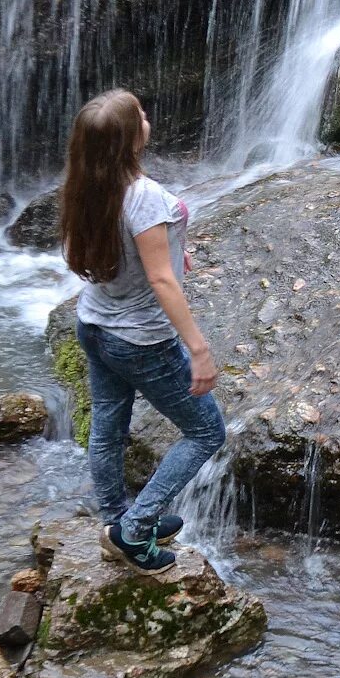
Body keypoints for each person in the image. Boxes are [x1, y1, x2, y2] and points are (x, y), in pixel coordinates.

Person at [60, 88, 224, 574]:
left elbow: (120, 252)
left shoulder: (88, 185)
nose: (147, 117)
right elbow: (159, 278)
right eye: (140, 116)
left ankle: (114, 518)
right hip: (141, 340)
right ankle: (134, 529)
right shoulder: (144, 198)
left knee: (109, 426)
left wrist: (174, 251)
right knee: (206, 431)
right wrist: (199, 349)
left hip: (94, 323)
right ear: (132, 139)